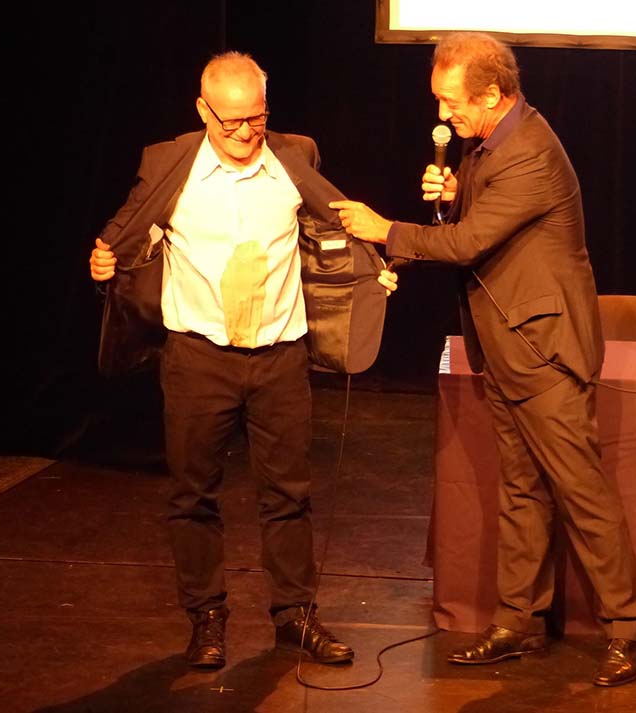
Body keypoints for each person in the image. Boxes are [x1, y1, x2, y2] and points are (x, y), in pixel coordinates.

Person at [329, 32, 636, 686]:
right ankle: (517, 621)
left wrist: (384, 229)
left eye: (453, 102)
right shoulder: (489, 144)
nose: (443, 114)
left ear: (494, 94)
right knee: (522, 490)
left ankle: (627, 628)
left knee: (581, 492)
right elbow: (476, 224)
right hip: (506, 344)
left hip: (543, 350)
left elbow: (469, 243)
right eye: (439, 100)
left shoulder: (529, 151)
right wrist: (452, 195)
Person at [89, 51, 397, 670]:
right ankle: (206, 618)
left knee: (289, 495)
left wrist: (374, 270)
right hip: (198, 357)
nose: (244, 132)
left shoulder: (294, 156)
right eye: (229, 120)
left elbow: (335, 227)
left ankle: (295, 615)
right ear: (203, 111)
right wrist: (104, 264)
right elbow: (124, 234)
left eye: (255, 117)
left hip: (280, 356)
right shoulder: (169, 164)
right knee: (193, 496)